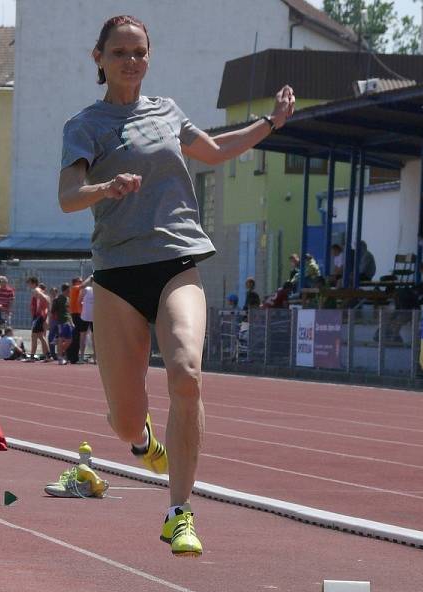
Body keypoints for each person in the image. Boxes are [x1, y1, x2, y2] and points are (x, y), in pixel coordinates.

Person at [58, 14, 295, 556]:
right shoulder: (84, 125)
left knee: (187, 372)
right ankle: (143, 441)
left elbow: (212, 151)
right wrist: (105, 187)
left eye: (139, 52)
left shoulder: (166, 112)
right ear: (99, 59)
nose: (131, 61)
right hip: (118, 274)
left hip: (176, 259)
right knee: (121, 422)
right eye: (119, 53)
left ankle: (179, 511)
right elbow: (68, 196)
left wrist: (271, 123)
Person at [25, 276, 50, 361]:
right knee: (39, 336)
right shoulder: (37, 290)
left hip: (38, 316)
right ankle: (47, 356)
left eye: (29, 283)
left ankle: (34, 356)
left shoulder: (36, 290)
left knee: (37, 336)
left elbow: (45, 298)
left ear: (33, 283)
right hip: (38, 316)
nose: (28, 285)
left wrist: (41, 309)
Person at [51, 283, 74, 365]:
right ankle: (60, 357)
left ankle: (60, 351)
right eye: (69, 290)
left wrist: (71, 322)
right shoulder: (58, 299)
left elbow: (68, 311)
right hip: (61, 321)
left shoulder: (68, 299)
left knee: (69, 340)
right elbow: (53, 311)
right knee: (61, 338)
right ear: (66, 290)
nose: (70, 291)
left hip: (68, 321)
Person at [66, 276, 83, 363]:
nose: (81, 282)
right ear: (75, 282)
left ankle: (72, 356)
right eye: (79, 281)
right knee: (75, 336)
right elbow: (82, 286)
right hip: (75, 314)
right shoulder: (74, 288)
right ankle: (72, 356)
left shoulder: (77, 290)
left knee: (77, 336)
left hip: (77, 314)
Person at [79, 275, 96, 363]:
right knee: (90, 338)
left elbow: (79, 300)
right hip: (88, 316)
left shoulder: (87, 290)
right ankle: (93, 358)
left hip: (89, 316)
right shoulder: (88, 289)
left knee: (84, 337)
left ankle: (83, 357)